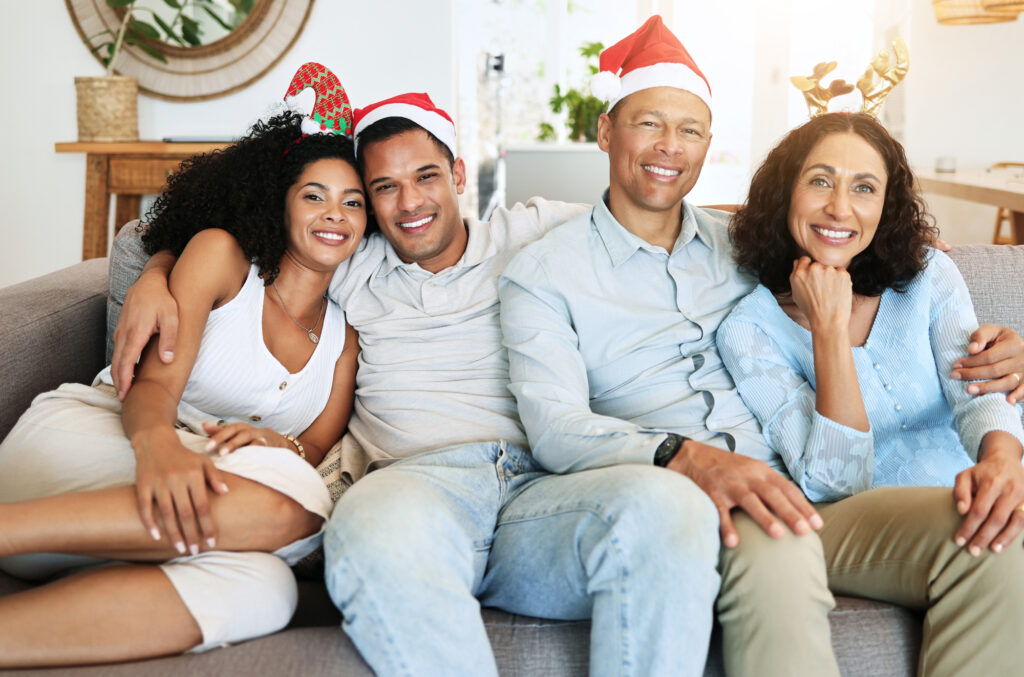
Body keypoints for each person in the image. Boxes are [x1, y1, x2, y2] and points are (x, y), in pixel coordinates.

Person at [109, 34, 1024, 677]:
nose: (406, 202)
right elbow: (248, 234)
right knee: (383, 533)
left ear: (462, 174)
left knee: (679, 514)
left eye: (427, 176)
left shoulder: (730, 263)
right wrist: (155, 265)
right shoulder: (378, 259)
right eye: (381, 189)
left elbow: (862, 290)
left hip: (605, 486)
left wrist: (999, 393)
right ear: (606, 136)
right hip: (448, 477)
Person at [497, 16, 1024, 677]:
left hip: (843, 496)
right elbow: (555, 425)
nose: (670, 146)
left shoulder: (739, 246)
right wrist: (686, 456)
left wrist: (1005, 356)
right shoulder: (550, 271)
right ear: (605, 131)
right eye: (648, 123)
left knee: (1000, 537)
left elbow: (851, 246)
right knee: (780, 535)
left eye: (689, 129)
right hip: (713, 496)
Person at [0, 95, 364, 665]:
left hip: (171, 520)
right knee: (297, 506)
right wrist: (160, 448)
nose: (334, 213)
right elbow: (153, 389)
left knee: (269, 590)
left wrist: (281, 444)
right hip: (101, 444)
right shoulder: (222, 260)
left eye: (353, 202)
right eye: (314, 195)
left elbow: (313, 446)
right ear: (280, 205)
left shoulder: (346, 341)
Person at [716, 111, 1024, 676]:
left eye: (864, 188)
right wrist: (828, 330)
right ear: (786, 191)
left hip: (959, 492)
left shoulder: (928, 274)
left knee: (1001, 517)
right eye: (820, 181)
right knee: (991, 534)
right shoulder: (749, 329)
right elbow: (836, 481)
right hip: (846, 525)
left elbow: (978, 387)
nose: (840, 207)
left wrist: (1004, 461)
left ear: (885, 206)